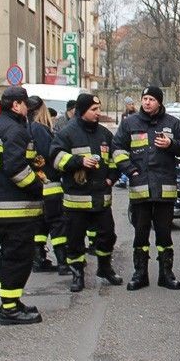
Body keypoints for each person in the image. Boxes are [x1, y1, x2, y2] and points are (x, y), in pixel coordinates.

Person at [113, 86, 180, 291]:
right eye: (144, 98)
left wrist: (172, 144)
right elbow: (117, 149)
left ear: (159, 102)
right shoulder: (129, 123)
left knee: (164, 234)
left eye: (151, 99)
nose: (147, 102)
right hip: (140, 189)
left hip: (165, 190)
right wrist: (130, 170)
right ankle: (140, 274)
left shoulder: (172, 123)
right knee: (140, 233)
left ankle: (166, 274)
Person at [50, 94, 123, 291]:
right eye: (94, 110)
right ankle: (77, 274)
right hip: (76, 202)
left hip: (101, 199)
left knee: (107, 236)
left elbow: (116, 159)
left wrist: (111, 178)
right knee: (75, 240)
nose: (98, 113)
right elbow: (55, 159)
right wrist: (79, 161)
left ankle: (105, 268)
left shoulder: (105, 135)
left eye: (99, 109)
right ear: (82, 111)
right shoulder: (67, 134)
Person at [0, 86, 43, 325]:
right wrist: (37, 185)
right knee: (19, 256)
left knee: (8, 253)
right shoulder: (14, 130)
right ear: (16, 105)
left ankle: (10, 300)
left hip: (1, 204)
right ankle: (9, 308)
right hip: (16, 207)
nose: (27, 108)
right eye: (24, 104)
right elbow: (15, 168)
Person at [27, 96, 61, 273]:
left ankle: (38, 258)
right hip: (48, 182)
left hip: (35, 183)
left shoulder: (26, 128)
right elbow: (50, 154)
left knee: (40, 225)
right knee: (57, 223)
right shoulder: (40, 129)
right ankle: (63, 261)